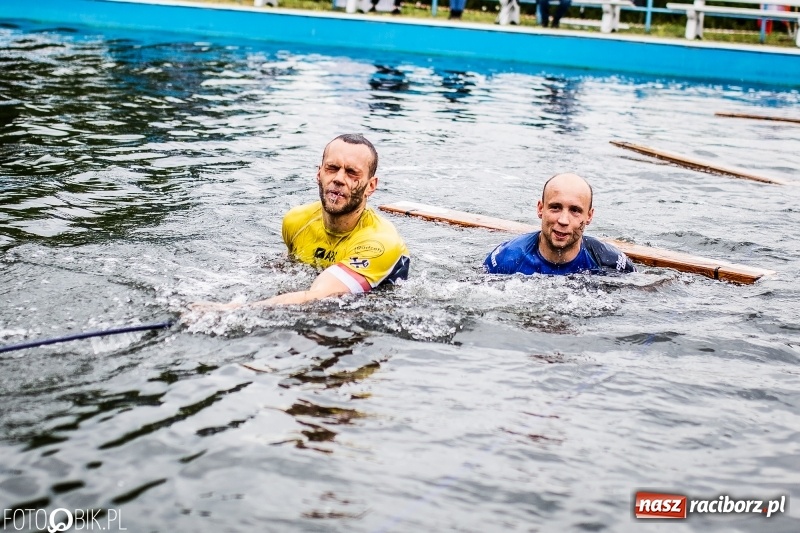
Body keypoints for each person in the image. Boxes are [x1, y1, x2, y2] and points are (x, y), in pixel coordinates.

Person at [192, 134, 410, 311]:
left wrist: (235, 309)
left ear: (371, 186)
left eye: (352, 173)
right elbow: (293, 269)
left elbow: (319, 297)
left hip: (373, 314)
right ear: (319, 174)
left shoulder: (380, 242)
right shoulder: (296, 221)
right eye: (332, 168)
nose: (339, 179)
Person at [484, 173, 635, 275]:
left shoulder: (610, 262)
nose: (563, 220)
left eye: (575, 210)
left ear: (589, 216)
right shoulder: (506, 259)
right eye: (555, 207)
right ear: (540, 209)